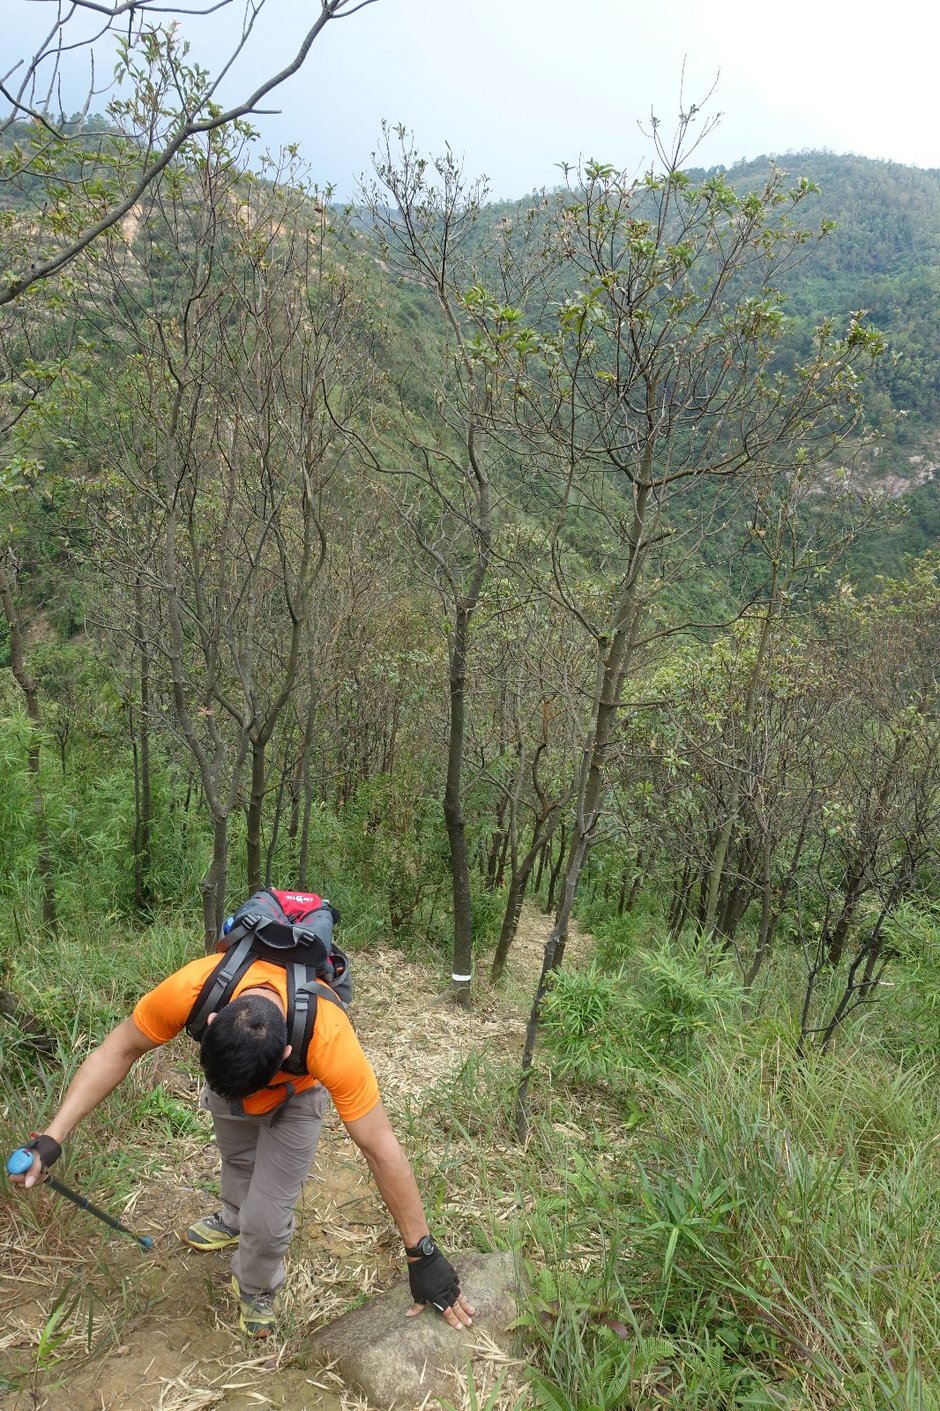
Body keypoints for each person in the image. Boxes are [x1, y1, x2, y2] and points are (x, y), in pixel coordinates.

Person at [9, 950, 474, 1338]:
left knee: (268, 1218)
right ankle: (232, 1217)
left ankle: (254, 1283)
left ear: (288, 1054)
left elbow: (380, 1146)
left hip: (297, 1097)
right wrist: (53, 1136)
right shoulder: (192, 988)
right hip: (234, 1077)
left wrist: (422, 1253)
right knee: (236, 1159)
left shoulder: (328, 1037)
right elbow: (118, 1050)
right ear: (211, 1022)